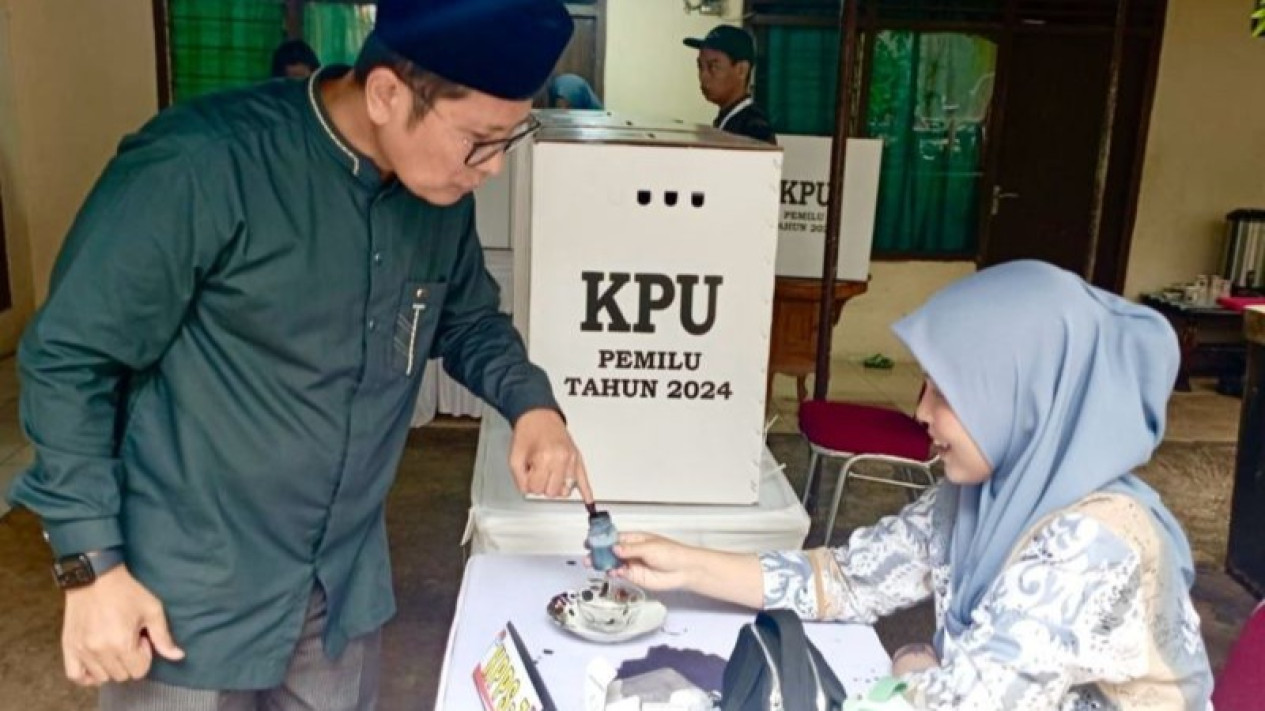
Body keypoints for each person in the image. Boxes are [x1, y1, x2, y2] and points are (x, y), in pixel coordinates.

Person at [8, 0, 594, 708]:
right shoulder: (203, 166)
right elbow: (70, 357)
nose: (494, 167)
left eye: (510, 139)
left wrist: (530, 404)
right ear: (386, 94)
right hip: (187, 601)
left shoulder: (436, 197)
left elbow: (465, 318)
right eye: (479, 138)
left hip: (338, 593)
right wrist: (92, 565)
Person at [610, 260, 1214, 709]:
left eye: (946, 393)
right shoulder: (978, 493)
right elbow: (845, 581)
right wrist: (685, 565)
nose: (921, 413)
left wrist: (916, 670)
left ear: (1025, 400)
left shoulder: (1097, 542)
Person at [682, 25, 776, 144]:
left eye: (713, 67)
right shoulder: (729, 118)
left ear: (742, 70)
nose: (703, 76)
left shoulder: (755, 129)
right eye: (700, 66)